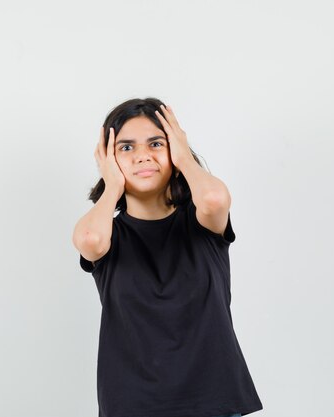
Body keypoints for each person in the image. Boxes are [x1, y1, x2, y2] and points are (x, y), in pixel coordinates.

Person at [72, 97, 263, 417]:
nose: (143, 155)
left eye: (156, 143)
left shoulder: (200, 222)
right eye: (126, 148)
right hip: (133, 405)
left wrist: (185, 159)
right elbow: (89, 240)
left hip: (213, 401)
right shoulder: (108, 233)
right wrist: (112, 185)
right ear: (109, 159)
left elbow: (216, 199)